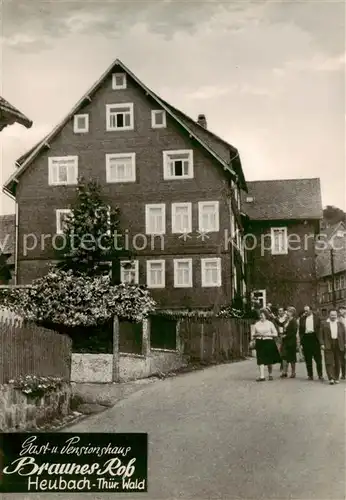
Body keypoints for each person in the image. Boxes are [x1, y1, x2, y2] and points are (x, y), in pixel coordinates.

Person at [251, 308, 281, 381]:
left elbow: (275, 334)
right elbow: (253, 334)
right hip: (260, 342)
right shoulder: (257, 324)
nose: (261, 317)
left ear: (266, 316)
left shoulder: (270, 323)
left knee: (269, 360)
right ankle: (262, 376)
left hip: (269, 342)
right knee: (260, 359)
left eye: (262, 315)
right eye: (260, 315)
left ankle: (270, 374)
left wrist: (267, 335)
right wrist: (257, 334)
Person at [320, 308, 346, 385]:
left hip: (338, 343)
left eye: (335, 315)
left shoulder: (340, 324)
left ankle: (336, 377)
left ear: (337, 315)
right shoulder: (324, 323)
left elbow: (344, 334)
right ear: (329, 315)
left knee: (337, 361)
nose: (333, 316)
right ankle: (331, 378)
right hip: (328, 343)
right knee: (329, 361)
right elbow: (320, 335)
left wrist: (345, 343)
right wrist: (322, 343)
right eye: (332, 315)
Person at [298, 305, 323, 381]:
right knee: (308, 358)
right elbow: (301, 331)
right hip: (306, 338)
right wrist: (301, 341)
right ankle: (310, 375)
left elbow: (320, 330)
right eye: (304, 311)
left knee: (318, 358)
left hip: (314, 338)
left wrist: (321, 341)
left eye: (307, 310)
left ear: (311, 310)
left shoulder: (317, 318)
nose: (305, 312)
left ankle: (320, 375)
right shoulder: (302, 319)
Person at [280, 306, 298, 378]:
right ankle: (284, 372)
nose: (286, 313)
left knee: (292, 357)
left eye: (288, 312)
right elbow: (281, 324)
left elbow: (294, 332)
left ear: (292, 313)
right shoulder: (286, 320)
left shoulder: (294, 321)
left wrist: (286, 336)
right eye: (287, 311)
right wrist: (274, 317)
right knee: (284, 356)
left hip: (291, 341)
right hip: (285, 341)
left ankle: (293, 372)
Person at [275, 307, 287, 373]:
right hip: (279, 335)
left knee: (284, 351)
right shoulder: (277, 318)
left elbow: (281, 324)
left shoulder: (286, 318)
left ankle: (283, 364)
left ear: (283, 311)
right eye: (279, 311)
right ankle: (282, 363)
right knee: (279, 350)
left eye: (281, 311)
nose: (280, 312)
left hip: (285, 335)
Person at [338, 305, 346, 379]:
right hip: (342, 341)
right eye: (340, 310)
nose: (341, 311)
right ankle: (343, 374)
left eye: (342, 309)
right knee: (342, 358)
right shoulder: (338, 319)